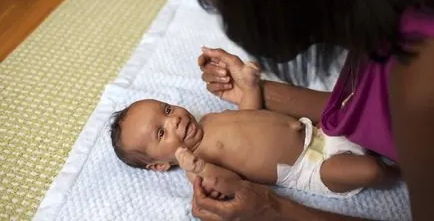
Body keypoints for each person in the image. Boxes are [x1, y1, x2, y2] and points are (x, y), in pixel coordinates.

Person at [183, 0, 434, 220]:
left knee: (369, 171)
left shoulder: (418, 83)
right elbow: (375, 109)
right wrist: (252, 90)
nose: (231, 29)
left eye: (228, 13)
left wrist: (273, 210)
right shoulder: (395, 24)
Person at [109, 60, 396, 200]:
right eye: (161, 133)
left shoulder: (209, 119)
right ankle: (400, 175)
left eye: (167, 109)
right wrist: (199, 167)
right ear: (159, 165)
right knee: (369, 171)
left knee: (364, 108)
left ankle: (403, 151)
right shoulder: (196, 167)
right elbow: (224, 185)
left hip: (320, 130)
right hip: (312, 169)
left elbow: (250, 115)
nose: (173, 121)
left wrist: (249, 86)